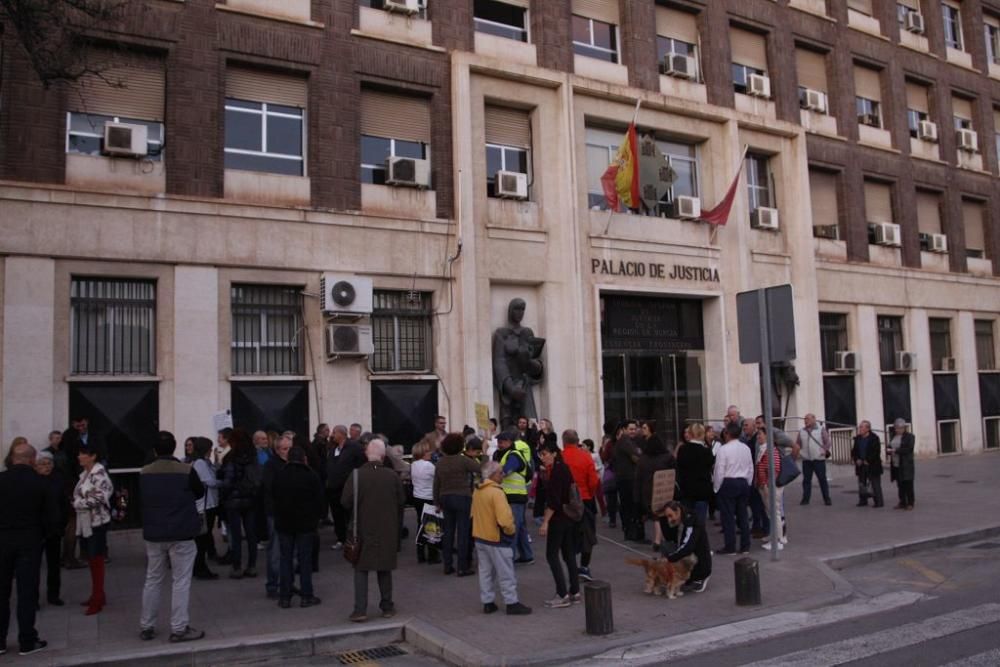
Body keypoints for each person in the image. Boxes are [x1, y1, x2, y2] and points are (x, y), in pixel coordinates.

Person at [138, 431, 206, 643]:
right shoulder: (186, 470)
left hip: (154, 532)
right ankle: (178, 627)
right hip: (182, 531)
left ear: (155, 450)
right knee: (181, 581)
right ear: (174, 447)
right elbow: (199, 493)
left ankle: (147, 625)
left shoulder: (144, 472)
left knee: (153, 579)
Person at [1, 442, 58, 656]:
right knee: (27, 593)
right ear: (32, 460)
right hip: (29, 540)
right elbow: (51, 517)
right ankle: (27, 640)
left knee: (2, 592)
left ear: (12, 458)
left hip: (2, 540)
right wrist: (44, 536)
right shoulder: (40, 483)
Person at [342, 438, 405, 623]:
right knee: (384, 567)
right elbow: (401, 500)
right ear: (383, 455)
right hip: (387, 528)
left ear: (366, 454)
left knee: (361, 568)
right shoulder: (392, 476)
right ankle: (387, 606)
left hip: (361, 528)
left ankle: (360, 609)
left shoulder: (356, 475)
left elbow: (344, 502)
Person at [471, 461, 531, 616]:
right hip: (497, 538)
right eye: (500, 472)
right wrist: (510, 531)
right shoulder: (496, 492)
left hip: (480, 536)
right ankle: (511, 602)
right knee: (506, 573)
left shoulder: (478, 490)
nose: (503, 474)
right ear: (492, 475)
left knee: (485, 572)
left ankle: (488, 602)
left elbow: (472, 514)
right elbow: (505, 519)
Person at [273, 447, 325, 609]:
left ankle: (285, 596)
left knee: (285, 559)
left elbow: (272, 496)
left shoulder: (280, 474)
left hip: (284, 523)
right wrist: (318, 517)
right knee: (305, 560)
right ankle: (306, 595)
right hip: (305, 524)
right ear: (304, 458)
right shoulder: (311, 475)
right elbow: (319, 500)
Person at [537, 440, 580, 608]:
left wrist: (545, 522)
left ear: (554, 453)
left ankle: (562, 593)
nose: (543, 458)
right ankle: (575, 591)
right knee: (568, 554)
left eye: (545, 454)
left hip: (559, 518)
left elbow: (554, 501)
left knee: (552, 555)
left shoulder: (556, 471)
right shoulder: (562, 468)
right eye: (541, 455)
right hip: (568, 517)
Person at [73, 442, 113, 615]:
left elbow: (100, 496)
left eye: (83, 453)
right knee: (91, 558)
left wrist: (78, 503)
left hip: (97, 522)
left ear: (93, 456)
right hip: (86, 522)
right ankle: (97, 594)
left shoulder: (99, 474)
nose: (79, 456)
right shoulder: (85, 474)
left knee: (96, 559)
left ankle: (98, 598)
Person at [492, 298, 545, 429]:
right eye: (517, 309)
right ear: (510, 310)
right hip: (509, 386)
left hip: (524, 384)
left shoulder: (527, 333)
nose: (520, 313)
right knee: (507, 424)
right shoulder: (501, 333)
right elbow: (499, 361)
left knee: (530, 425)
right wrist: (510, 387)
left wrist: (533, 364)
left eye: (522, 310)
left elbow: (536, 363)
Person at [432, 433, 480, 576]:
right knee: (463, 532)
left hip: (445, 497)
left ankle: (447, 565)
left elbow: (436, 484)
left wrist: (436, 502)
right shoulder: (463, 460)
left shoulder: (440, 462)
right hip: (462, 497)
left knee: (448, 532)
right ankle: (462, 566)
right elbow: (480, 469)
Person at [218, 428, 260, 579]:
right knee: (251, 534)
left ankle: (237, 567)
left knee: (235, 536)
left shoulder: (231, 457)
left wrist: (223, 493)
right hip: (250, 498)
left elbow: (228, 480)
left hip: (233, 500)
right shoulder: (253, 455)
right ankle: (252, 566)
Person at [561, 430, 602, 581]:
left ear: (563, 441)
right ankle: (584, 566)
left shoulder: (561, 457)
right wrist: (589, 494)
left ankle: (572, 567)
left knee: (568, 535)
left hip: (566, 501)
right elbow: (593, 481)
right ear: (577, 441)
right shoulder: (586, 456)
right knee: (587, 535)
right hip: (585, 498)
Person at [492, 431, 534, 565]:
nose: (499, 444)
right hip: (512, 495)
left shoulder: (514, 456)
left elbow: (505, 471)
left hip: (515, 497)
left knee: (512, 527)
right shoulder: (504, 454)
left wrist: (492, 477)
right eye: (498, 441)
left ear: (510, 442)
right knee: (519, 526)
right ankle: (527, 555)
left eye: (502, 441)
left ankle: (508, 557)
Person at [713, 422, 753, 555]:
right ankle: (745, 546)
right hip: (743, 482)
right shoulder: (745, 448)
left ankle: (730, 546)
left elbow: (719, 469)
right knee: (743, 515)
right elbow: (750, 467)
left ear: (727, 433)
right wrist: (748, 482)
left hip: (728, 482)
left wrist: (717, 487)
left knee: (728, 516)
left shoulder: (723, 449)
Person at [34, 451, 68, 606]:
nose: (46, 467)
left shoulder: (58, 480)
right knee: (33, 566)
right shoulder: (33, 481)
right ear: (36, 466)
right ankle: (33, 598)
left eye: (49, 464)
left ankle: (53, 595)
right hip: (36, 529)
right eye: (43, 464)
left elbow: (63, 504)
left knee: (54, 564)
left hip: (54, 528)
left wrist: (62, 523)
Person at [262, 433, 292, 598]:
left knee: (289, 550)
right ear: (278, 450)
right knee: (275, 549)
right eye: (285, 449)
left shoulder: (292, 463)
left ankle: (286, 582)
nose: (288, 452)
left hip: (289, 512)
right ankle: (273, 584)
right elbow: (270, 488)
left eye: (290, 448)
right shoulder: (271, 465)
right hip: (276, 512)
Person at [658, 501, 711, 593]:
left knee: (681, 554)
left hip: (697, 557)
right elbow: (669, 538)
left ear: (678, 511)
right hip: (685, 551)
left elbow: (688, 547)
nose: (669, 520)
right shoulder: (679, 519)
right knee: (666, 546)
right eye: (667, 517)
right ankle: (674, 574)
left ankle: (700, 576)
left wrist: (669, 558)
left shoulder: (693, 522)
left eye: (670, 516)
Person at [326, 425, 365, 551]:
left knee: (350, 515)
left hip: (348, 489)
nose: (332, 435)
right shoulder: (333, 449)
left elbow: (361, 465)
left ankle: (352, 539)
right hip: (333, 489)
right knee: (337, 515)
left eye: (334, 432)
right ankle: (341, 538)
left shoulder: (354, 448)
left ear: (341, 434)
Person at [635, 421, 673, 549]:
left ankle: (658, 539)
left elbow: (638, 477)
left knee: (656, 514)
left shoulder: (643, 459)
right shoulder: (667, 457)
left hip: (648, 489)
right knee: (661, 513)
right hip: (664, 487)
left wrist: (637, 495)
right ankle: (659, 538)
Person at [190, 437, 220, 580]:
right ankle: (200, 567)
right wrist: (223, 483)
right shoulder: (200, 463)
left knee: (204, 537)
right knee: (202, 537)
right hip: (206, 504)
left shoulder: (204, 462)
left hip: (209, 503)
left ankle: (200, 566)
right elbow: (209, 481)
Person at [675, 423, 714, 526]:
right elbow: (710, 467)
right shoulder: (706, 451)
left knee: (688, 523)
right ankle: (700, 541)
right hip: (702, 490)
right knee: (700, 523)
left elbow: (679, 468)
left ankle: (687, 541)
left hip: (686, 490)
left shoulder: (682, 449)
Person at [755, 428, 787, 551]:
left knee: (775, 513)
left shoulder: (770, 450)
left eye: (760, 434)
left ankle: (778, 540)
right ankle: (773, 535)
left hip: (771, 487)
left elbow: (775, 469)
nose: (758, 437)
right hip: (765, 486)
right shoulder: (763, 449)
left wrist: (767, 484)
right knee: (770, 512)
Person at [410, 442, 439, 565]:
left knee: (420, 524)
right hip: (428, 497)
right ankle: (432, 555)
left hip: (417, 497)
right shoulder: (429, 466)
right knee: (432, 525)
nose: (430, 453)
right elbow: (438, 478)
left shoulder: (413, 465)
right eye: (427, 451)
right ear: (422, 453)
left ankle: (420, 553)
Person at [613, 420, 642, 542]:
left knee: (628, 506)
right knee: (629, 506)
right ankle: (630, 532)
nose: (633, 431)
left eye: (635, 429)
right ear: (624, 430)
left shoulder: (629, 441)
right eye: (630, 429)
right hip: (626, 478)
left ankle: (630, 531)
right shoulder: (625, 441)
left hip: (626, 477)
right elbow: (637, 455)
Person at [794, 413, 832, 506]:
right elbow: (798, 443)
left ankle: (826, 498)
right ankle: (805, 499)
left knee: (822, 479)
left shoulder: (820, 430)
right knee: (806, 480)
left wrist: (823, 450)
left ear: (814, 419)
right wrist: (798, 453)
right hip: (806, 459)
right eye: (805, 419)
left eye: (807, 419)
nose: (805, 421)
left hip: (818, 459)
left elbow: (827, 442)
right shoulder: (802, 431)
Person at [851, 420, 884, 508]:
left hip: (872, 464)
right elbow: (854, 451)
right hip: (861, 465)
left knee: (875, 483)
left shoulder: (874, 438)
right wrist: (856, 459)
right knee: (862, 483)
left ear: (867, 429)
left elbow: (876, 451)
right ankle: (863, 500)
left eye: (862, 427)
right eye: (860, 427)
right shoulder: (858, 438)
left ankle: (878, 501)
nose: (860, 428)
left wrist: (867, 460)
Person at [887, 418, 916, 510]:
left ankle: (910, 502)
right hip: (896, 463)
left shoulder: (910, 437)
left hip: (906, 464)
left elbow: (908, 449)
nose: (897, 430)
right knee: (900, 484)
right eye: (896, 428)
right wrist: (888, 450)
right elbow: (889, 446)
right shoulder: (893, 436)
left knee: (908, 483)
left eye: (900, 428)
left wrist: (896, 450)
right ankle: (902, 501)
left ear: (904, 428)